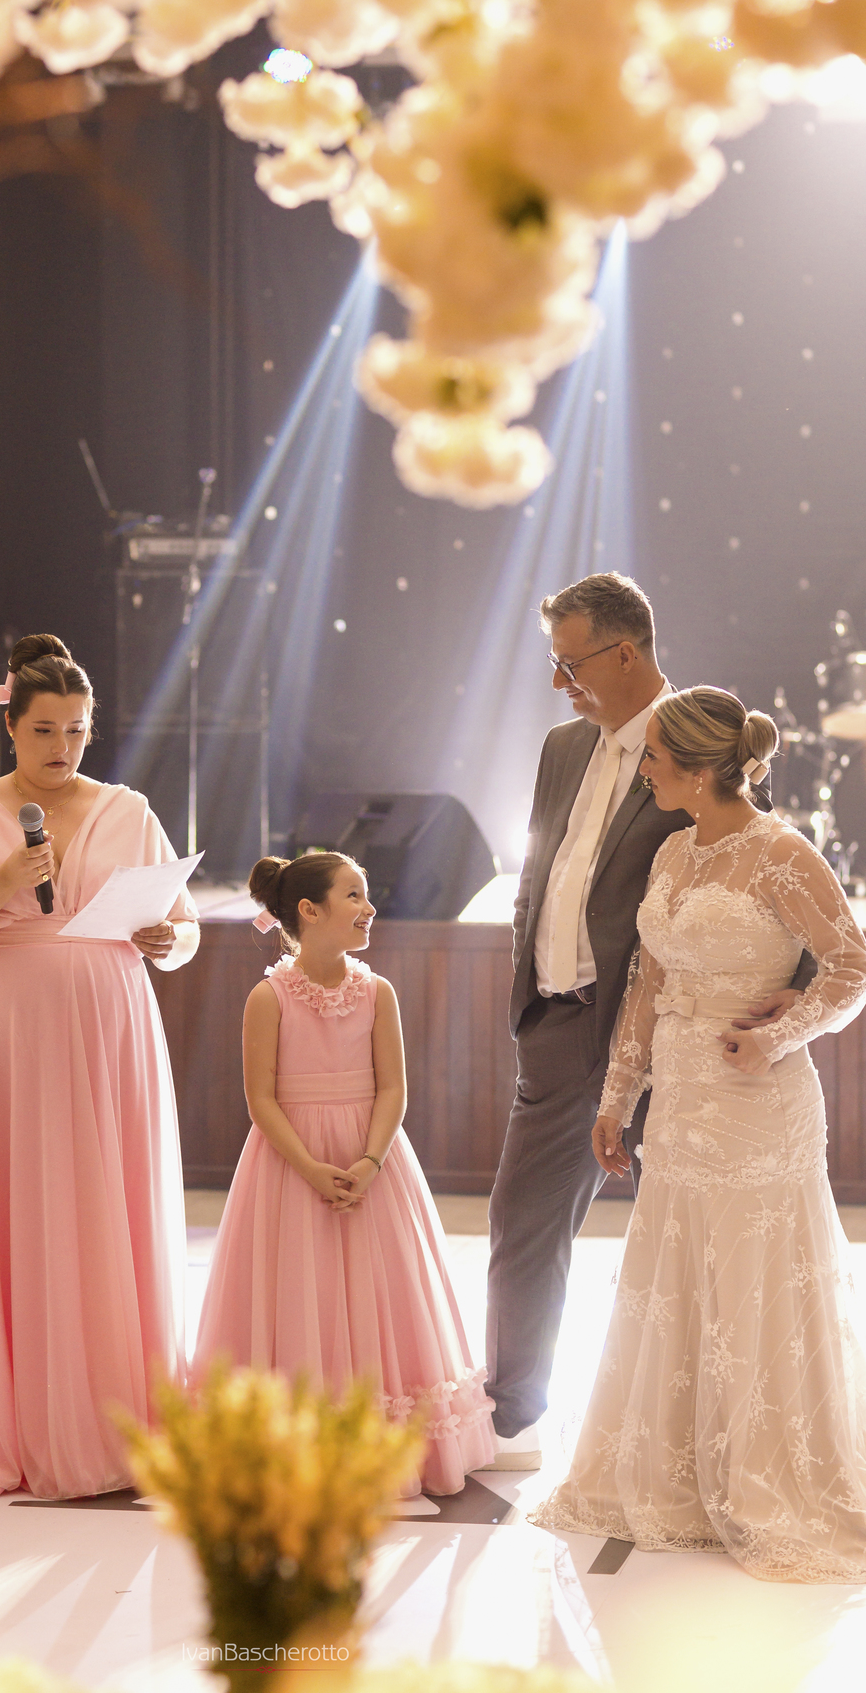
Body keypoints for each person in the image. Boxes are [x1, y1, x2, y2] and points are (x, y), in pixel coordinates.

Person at [531, 688, 866, 1580]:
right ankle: (677, 1471)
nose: (643, 770)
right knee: (677, 1271)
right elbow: (646, 980)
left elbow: (853, 964)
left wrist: (779, 1036)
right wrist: (617, 1098)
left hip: (757, 1099)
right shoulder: (674, 850)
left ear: (697, 768)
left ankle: (764, 1474)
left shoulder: (782, 853)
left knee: (753, 1277)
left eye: (653, 758)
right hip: (679, 1098)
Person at [485, 573, 803, 1472]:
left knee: (696, 1235)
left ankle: (714, 1437)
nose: (560, 682)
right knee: (520, 1220)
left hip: (681, 1038)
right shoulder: (561, 746)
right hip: (559, 1026)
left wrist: (795, 987)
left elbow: (770, 865)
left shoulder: (699, 737)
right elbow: (541, 872)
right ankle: (511, 1420)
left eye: (571, 663)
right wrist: (531, 976)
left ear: (624, 653)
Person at [0, 633, 200, 1499]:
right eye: (43, 730)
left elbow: (185, 928)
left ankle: (109, 1414)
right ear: (9, 726)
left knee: (101, 1202)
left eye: (75, 730)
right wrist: (5, 878)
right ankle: (9, 1419)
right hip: (1, 1027)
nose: (61, 747)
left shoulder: (129, 810)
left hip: (109, 1024)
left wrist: (169, 939)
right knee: (11, 1199)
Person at [191, 851, 496, 1492]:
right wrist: (308, 1166)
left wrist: (370, 1160)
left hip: (372, 1161)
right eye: (353, 895)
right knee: (298, 1291)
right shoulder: (268, 997)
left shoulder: (378, 992)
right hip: (290, 1165)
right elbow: (261, 1099)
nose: (369, 908)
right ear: (309, 910)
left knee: (383, 1294)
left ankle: (387, 1440)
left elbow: (393, 1088)